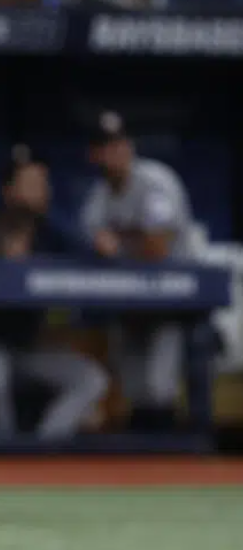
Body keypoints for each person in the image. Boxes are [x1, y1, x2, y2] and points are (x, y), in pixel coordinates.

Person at [0, 144, 109, 439]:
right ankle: (3, 454)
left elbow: (92, 252)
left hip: (31, 348)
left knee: (91, 379)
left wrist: (101, 246)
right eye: (29, 184)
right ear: (8, 190)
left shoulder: (54, 231)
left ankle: (44, 448)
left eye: (42, 183)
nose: (38, 191)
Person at [80, 110, 198, 429]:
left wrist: (117, 245)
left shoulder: (156, 182)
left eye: (120, 143)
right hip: (130, 306)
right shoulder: (98, 198)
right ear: (94, 155)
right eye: (106, 146)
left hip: (174, 300)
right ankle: (144, 465)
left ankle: (173, 458)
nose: (115, 152)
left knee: (159, 387)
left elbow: (157, 248)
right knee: (133, 388)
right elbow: (92, 243)